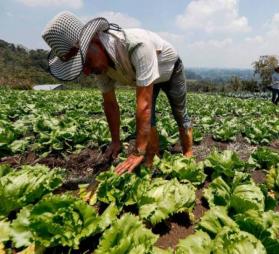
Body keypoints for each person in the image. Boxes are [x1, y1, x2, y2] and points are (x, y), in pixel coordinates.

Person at [42, 11, 193, 175]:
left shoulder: (136, 45)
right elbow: (110, 104)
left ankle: (188, 155)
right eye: (80, 66)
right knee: (151, 122)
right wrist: (115, 141)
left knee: (179, 112)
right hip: (146, 78)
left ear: (95, 41)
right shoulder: (98, 67)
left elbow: (144, 106)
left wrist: (137, 151)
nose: (86, 71)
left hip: (170, 69)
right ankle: (152, 158)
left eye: (84, 61)